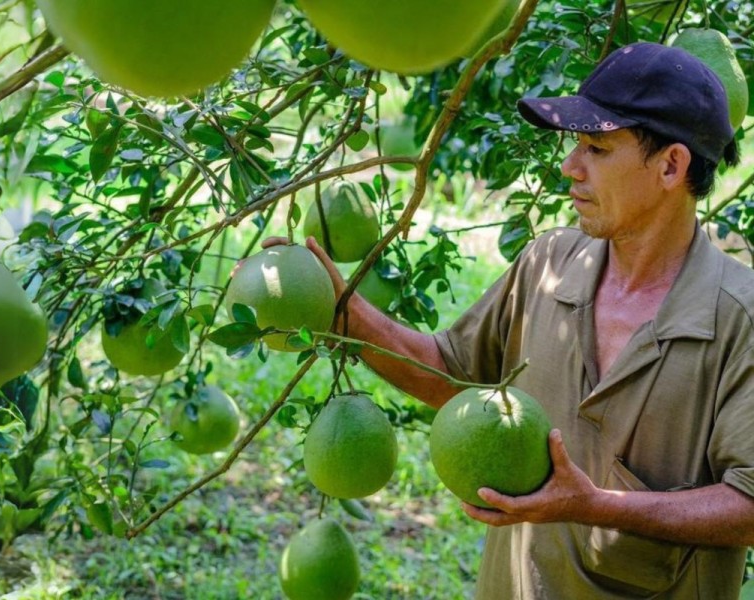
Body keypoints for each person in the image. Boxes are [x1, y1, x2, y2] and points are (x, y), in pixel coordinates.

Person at [267, 41, 754, 598]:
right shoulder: (549, 264)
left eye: (595, 148)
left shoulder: (739, 318)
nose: (570, 167)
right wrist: (344, 312)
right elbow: (450, 373)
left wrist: (598, 507)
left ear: (671, 165)